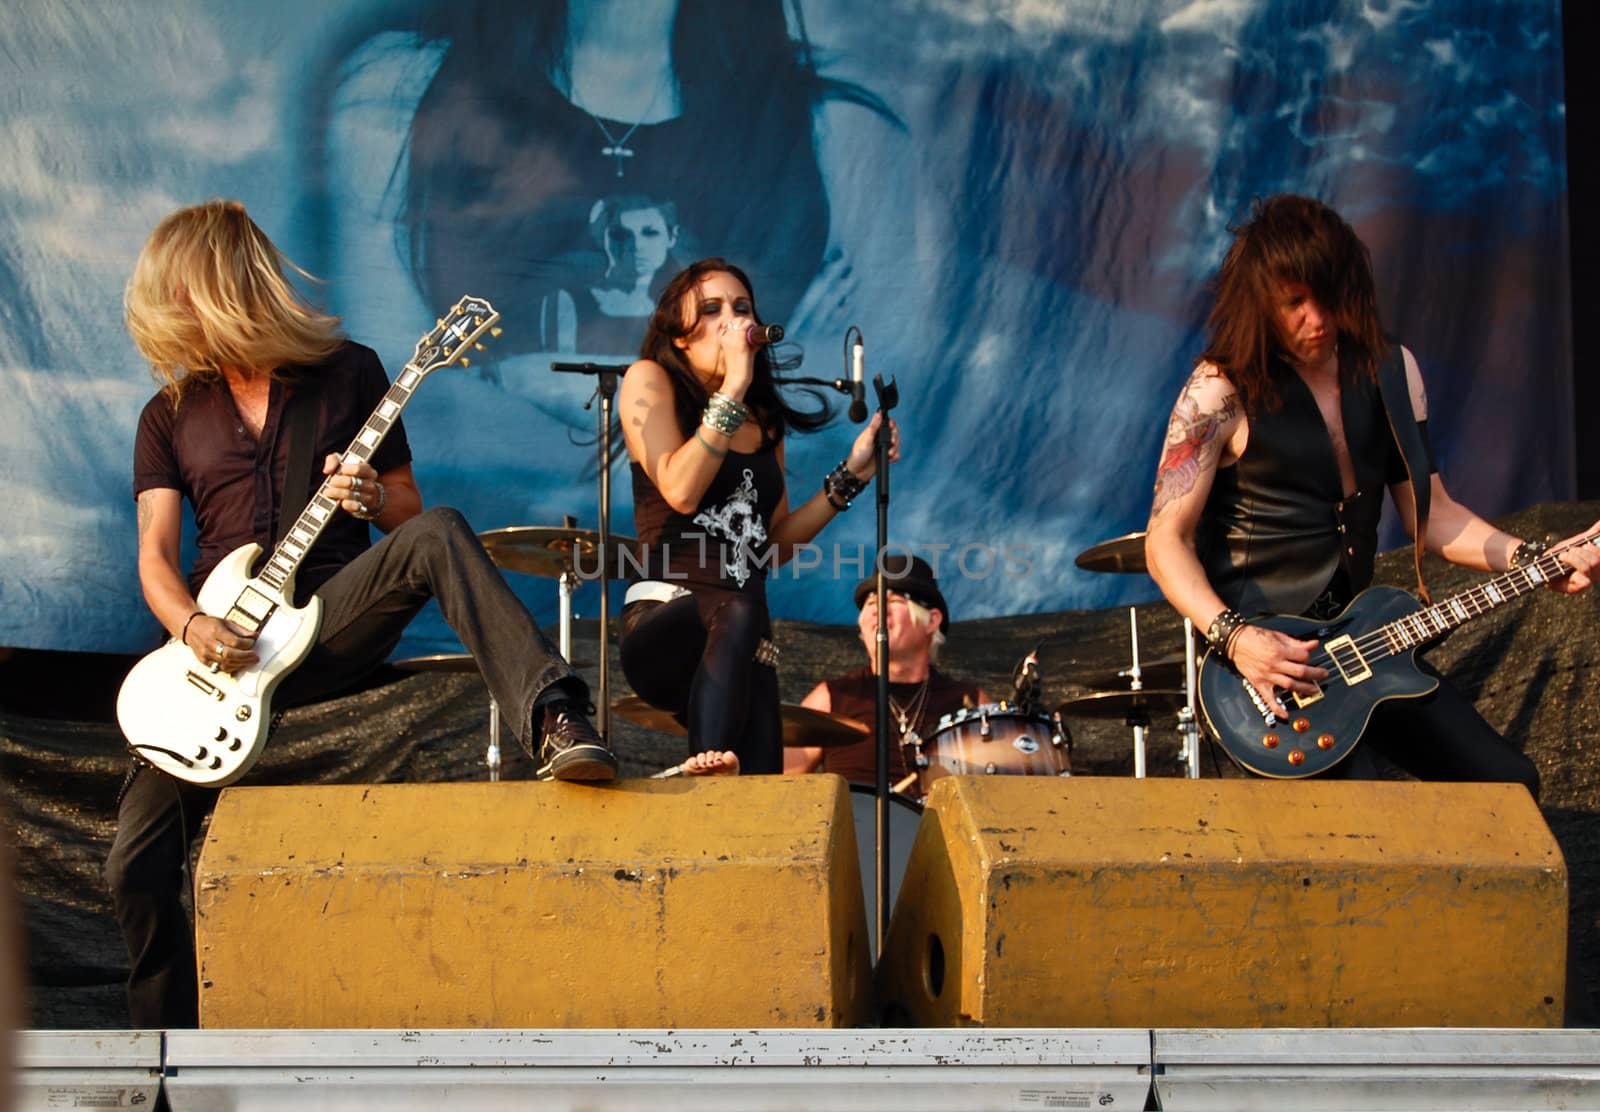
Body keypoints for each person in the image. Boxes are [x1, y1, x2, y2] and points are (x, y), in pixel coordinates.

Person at [104, 200, 616, 1029]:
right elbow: (156, 558)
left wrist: (374, 494)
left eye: (180, 295)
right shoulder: (168, 414)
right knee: (136, 860)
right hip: (215, 656)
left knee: (442, 530)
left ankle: (556, 719)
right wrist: (194, 628)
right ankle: (163, 1053)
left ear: (222, 286)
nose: (172, 317)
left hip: (328, 618)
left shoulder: (351, 372)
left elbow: (406, 514)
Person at [1143, 193, 1599, 794]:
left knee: (1508, 787)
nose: (1317, 319)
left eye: (1328, 298)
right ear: (1260, 303)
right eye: (1294, 304)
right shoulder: (1219, 390)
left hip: (1367, 645)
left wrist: (1533, 560)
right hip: (1268, 673)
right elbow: (1164, 542)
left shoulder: (1390, 370)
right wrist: (1237, 638)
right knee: (1359, 820)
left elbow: (1433, 519)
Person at [617, 257, 898, 775]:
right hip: (667, 615)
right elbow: (680, 490)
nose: (732, 318)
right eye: (711, 309)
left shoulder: (763, 419)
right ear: (680, 335)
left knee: (763, 785)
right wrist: (732, 389)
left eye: (741, 307)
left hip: (743, 634)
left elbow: (774, 544)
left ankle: (715, 781)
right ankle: (705, 773)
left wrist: (853, 474)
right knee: (737, 607)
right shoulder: (649, 380)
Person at [785, 555, 985, 794]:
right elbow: (781, 786)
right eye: (870, 603)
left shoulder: (970, 702)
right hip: (855, 829)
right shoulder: (832, 696)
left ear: (931, 621)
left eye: (892, 600)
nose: (877, 611)